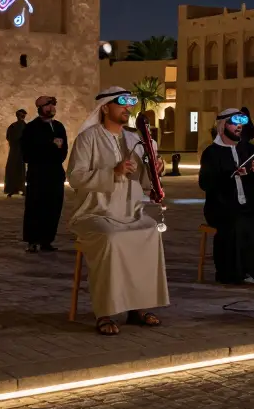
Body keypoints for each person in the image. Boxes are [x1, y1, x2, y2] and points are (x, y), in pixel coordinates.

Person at [66, 87, 169, 335]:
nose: (128, 108)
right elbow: (75, 177)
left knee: (150, 232)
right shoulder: (88, 138)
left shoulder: (135, 140)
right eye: (122, 103)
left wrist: (157, 169)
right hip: (95, 213)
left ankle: (138, 308)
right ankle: (105, 312)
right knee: (112, 238)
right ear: (105, 108)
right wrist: (113, 172)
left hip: (130, 212)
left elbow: (145, 181)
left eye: (130, 103)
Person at [199, 109, 254, 285]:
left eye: (241, 124)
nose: (239, 127)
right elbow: (205, 183)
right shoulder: (211, 153)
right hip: (221, 206)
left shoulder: (249, 149)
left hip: (249, 204)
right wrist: (230, 174)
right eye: (234, 123)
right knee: (239, 223)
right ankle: (233, 273)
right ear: (223, 126)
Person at [19, 96, 67, 252]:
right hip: (38, 175)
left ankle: (47, 240)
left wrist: (54, 151)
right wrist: (50, 147)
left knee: (53, 208)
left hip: (55, 174)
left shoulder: (58, 126)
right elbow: (27, 153)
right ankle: (32, 241)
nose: (51, 108)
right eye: (48, 105)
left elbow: (63, 150)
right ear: (40, 108)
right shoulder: (31, 128)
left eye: (53, 105)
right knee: (35, 207)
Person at [3, 109, 27, 197]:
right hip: (17, 151)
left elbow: (8, 137)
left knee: (17, 169)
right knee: (16, 169)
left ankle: (17, 188)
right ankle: (16, 188)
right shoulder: (21, 126)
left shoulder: (15, 126)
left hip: (17, 151)